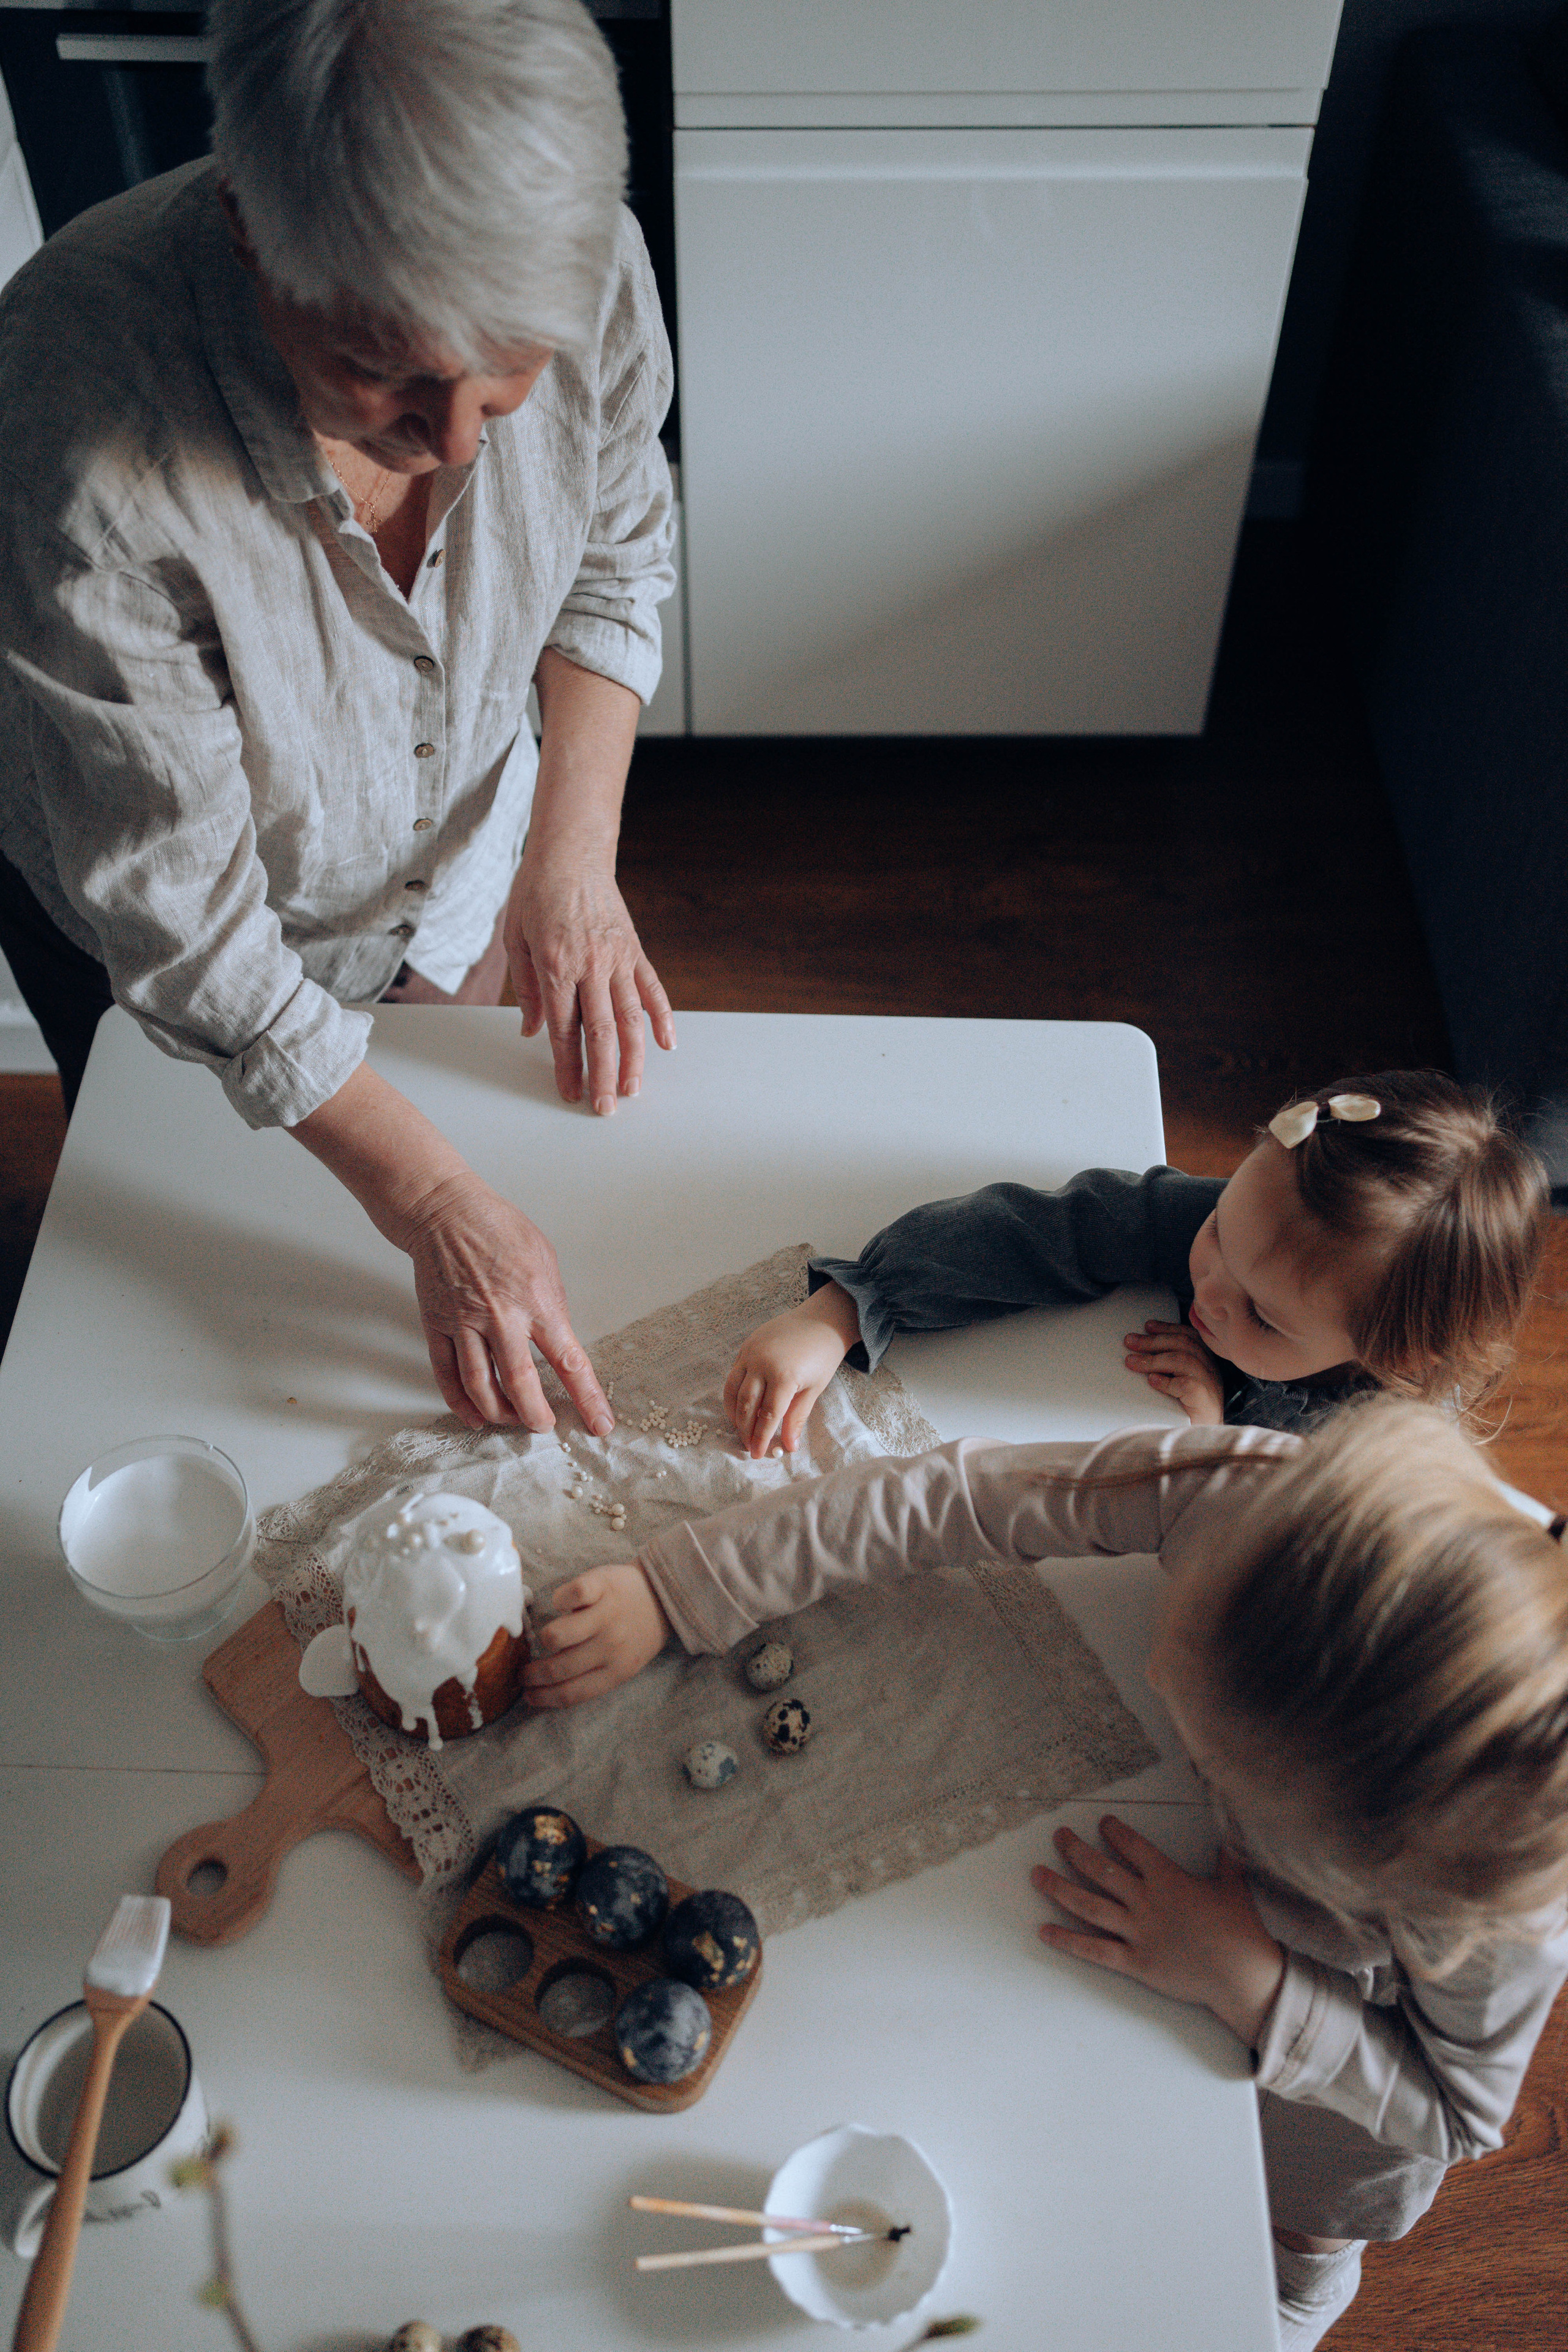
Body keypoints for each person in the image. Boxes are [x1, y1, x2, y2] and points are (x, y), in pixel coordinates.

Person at [520, 1399, 1568, 2351]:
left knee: (1286, 2242)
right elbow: (968, 1490)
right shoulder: (1270, 1503)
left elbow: (1459, 2111)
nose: (1157, 1670)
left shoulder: (1495, 1894)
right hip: (1160, 1992)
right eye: (1183, 1629)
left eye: (1208, 1731)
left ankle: (1292, 2296)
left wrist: (1248, 1980)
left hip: (1329, 2120)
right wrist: (686, 1583)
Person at [0, 0, 677, 1436]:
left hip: (452, 872)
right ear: (248, 223)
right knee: (185, 1305)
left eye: (507, 384)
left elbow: (614, 549)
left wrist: (568, 863)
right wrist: (427, 1195)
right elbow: (185, 925)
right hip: (178, 940)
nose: (457, 445)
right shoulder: (75, 425)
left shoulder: (586, 261)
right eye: (389, 375)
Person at [721, 1069, 1548, 1453]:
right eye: (1218, 1230)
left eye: (1262, 1316)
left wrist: (1215, 1437)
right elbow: (1039, 1231)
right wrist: (841, 1310)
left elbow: (1283, 1564)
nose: (1212, 1295)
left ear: (1385, 1355)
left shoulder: (1385, 1451)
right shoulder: (1262, 1233)